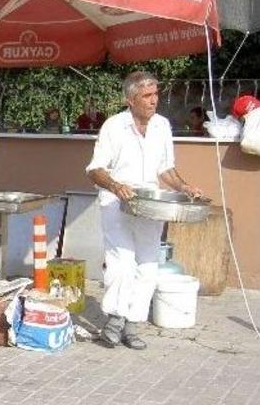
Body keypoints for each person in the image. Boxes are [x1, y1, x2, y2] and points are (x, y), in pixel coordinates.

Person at [85, 71, 203, 350]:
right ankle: (114, 321)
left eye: (156, 94)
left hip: (150, 205)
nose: (154, 101)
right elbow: (94, 169)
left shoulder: (162, 125)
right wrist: (115, 186)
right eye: (146, 96)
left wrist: (185, 187)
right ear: (130, 100)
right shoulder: (114, 126)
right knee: (122, 262)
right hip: (117, 203)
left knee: (148, 266)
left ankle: (133, 325)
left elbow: (165, 169)